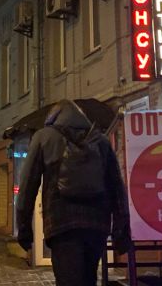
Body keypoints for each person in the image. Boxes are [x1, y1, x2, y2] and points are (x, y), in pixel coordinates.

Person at [15, 100, 131, 286]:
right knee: (89, 278)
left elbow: (28, 185)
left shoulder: (44, 137)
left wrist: (24, 230)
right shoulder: (100, 141)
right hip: (96, 225)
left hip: (61, 225)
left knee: (68, 279)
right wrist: (121, 232)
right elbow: (117, 187)